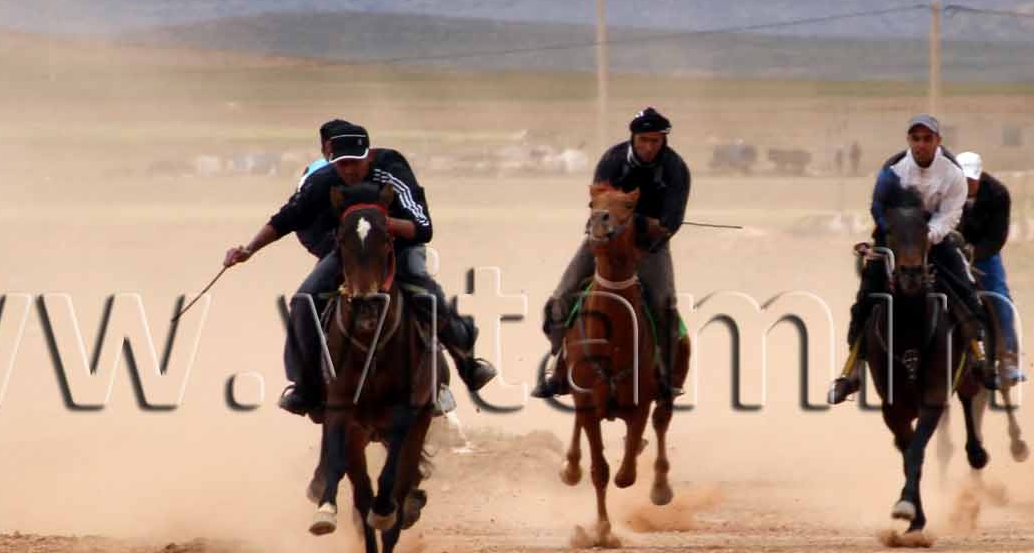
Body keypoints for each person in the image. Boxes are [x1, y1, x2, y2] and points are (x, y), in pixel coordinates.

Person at [220, 125, 497, 417]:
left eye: (355, 162)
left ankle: (467, 363)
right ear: (333, 161)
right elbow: (287, 218)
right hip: (352, 251)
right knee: (304, 300)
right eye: (342, 163)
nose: (349, 170)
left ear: (369, 156)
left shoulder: (392, 169)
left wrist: (383, 225)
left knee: (424, 291)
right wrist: (249, 250)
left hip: (400, 245)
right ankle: (305, 387)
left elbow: (423, 229)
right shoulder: (325, 180)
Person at [827, 114, 995, 405]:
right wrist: (897, 236)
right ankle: (850, 372)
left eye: (927, 139)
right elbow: (879, 206)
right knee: (866, 297)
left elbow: (951, 214)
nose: (921, 145)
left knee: (965, 289)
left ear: (937, 142)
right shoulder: (894, 171)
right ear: (909, 141)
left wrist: (926, 237)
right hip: (897, 239)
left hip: (935, 239)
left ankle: (979, 357)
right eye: (915, 139)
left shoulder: (952, 174)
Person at [534, 107, 692, 398]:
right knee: (561, 297)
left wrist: (638, 223)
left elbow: (671, 222)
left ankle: (666, 376)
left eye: (655, 141)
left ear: (664, 141)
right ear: (633, 137)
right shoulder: (613, 159)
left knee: (663, 305)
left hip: (650, 247)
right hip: (602, 240)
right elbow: (600, 198)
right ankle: (557, 366)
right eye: (643, 139)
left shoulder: (676, 169)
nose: (648, 147)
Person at [955, 152, 1023, 383]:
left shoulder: (998, 194)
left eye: (971, 180)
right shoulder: (945, 190)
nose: (968, 185)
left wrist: (976, 252)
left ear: (980, 176)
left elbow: (998, 236)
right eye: (963, 180)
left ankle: (1007, 359)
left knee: (1000, 298)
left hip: (986, 256)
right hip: (950, 253)